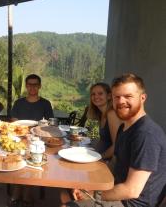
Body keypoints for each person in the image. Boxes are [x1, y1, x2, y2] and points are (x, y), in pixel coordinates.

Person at [67, 73, 166, 207]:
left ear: (143, 98)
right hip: (117, 191)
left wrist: (92, 193)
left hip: (130, 203)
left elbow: (132, 190)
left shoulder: (146, 134)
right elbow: (115, 162)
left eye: (128, 96)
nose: (121, 101)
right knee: (71, 187)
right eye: (117, 97)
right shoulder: (124, 128)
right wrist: (89, 184)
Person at [9, 74, 54, 207]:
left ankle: (23, 194)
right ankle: (20, 192)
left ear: (39, 86)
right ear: (26, 86)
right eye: (29, 84)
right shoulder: (19, 103)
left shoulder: (45, 103)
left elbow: (49, 125)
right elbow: (14, 121)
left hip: (38, 140)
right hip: (19, 139)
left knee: (31, 162)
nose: (32, 87)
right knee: (16, 162)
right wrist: (22, 132)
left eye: (35, 85)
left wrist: (38, 131)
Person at [87, 82, 122, 160]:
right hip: (99, 155)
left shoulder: (111, 114)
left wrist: (100, 157)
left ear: (109, 96)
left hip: (107, 161)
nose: (96, 96)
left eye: (100, 93)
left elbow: (117, 145)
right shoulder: (101, 114)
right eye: (93, 94)